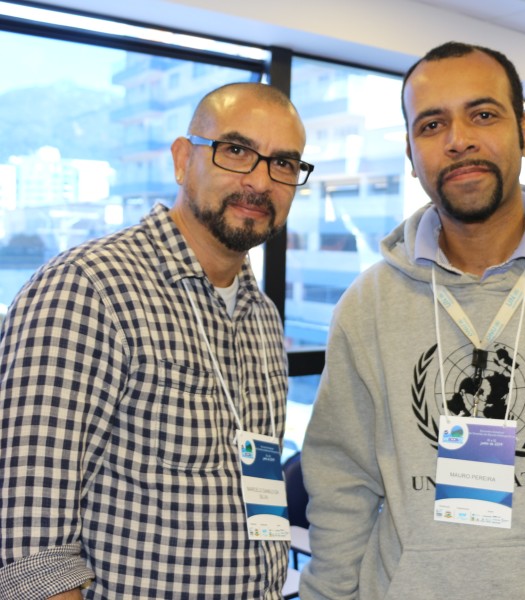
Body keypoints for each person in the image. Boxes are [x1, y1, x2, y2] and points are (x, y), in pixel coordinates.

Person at [299, 41, 525, 600]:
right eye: (432, 125)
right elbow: (343, 485)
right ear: (412, 157)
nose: (458, 139)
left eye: (482, 114)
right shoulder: (367, 305)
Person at [0, 82, 313, 599]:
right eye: (236, 151)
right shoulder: (88, 288)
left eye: (284, 163)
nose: (260, 180)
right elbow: (30, 553)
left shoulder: (261, 316)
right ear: (182, 159)